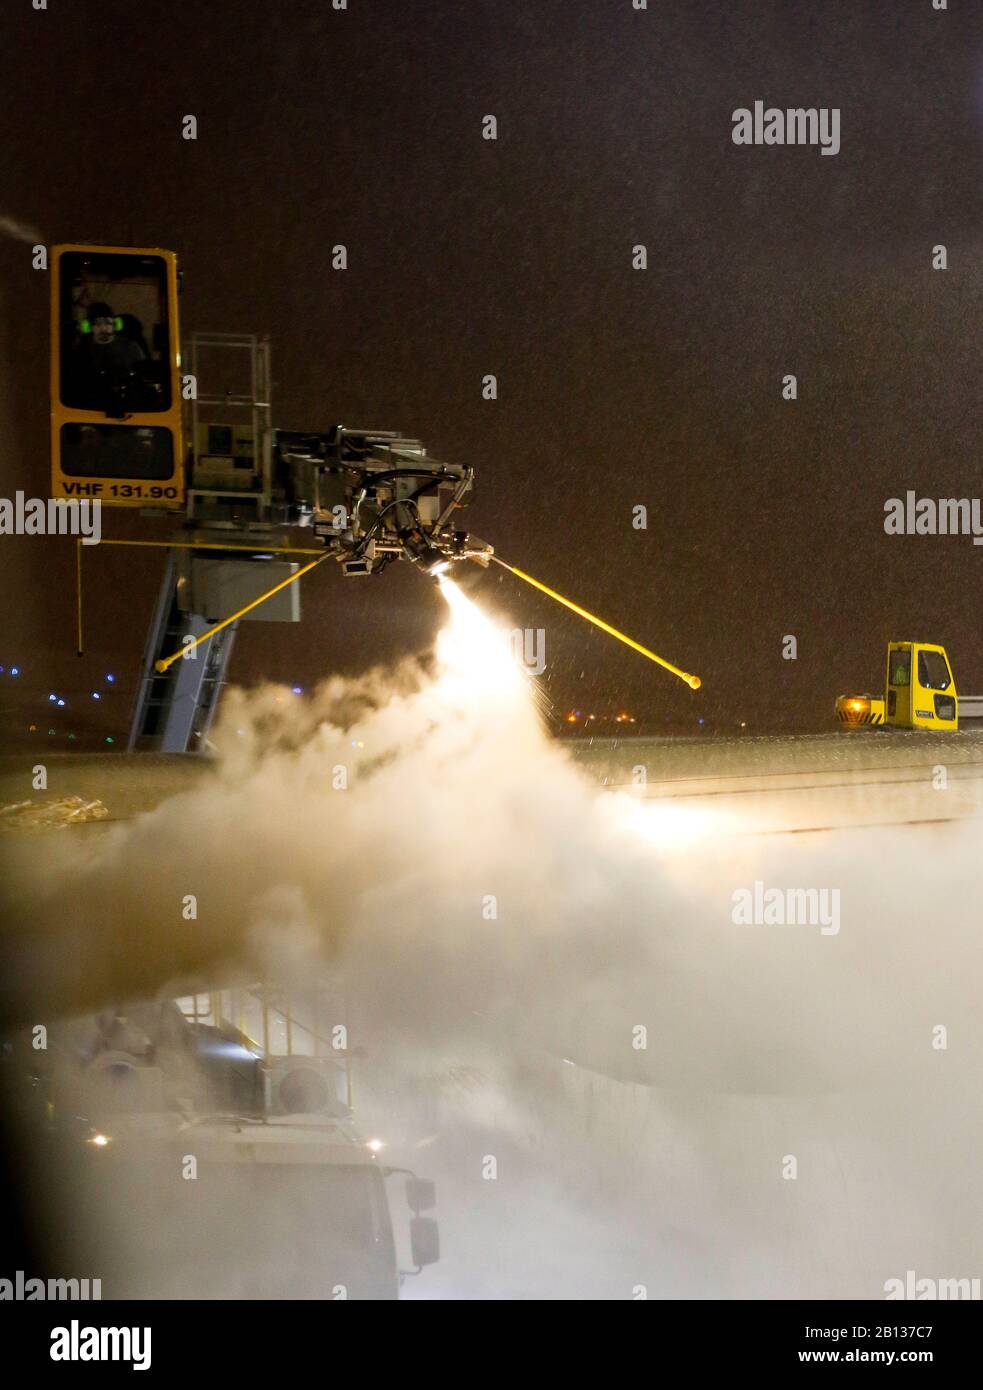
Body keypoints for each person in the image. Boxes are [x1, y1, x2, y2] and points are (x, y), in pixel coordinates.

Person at [68, 301, 147, 412]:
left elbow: (143, 373)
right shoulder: (82, 350)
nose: (103, 328)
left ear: (115, 325)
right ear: (89, 327)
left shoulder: (130, 346)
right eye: (98, 324)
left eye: (107, 323)